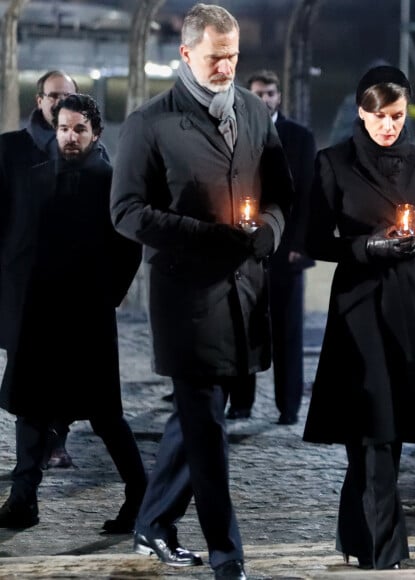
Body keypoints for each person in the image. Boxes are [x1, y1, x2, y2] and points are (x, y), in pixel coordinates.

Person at [109, 4, 293, 579]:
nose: (226, 66)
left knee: (196, 416)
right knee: (208, 426)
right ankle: (227, 555)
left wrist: (268, 232)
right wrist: (207, 238)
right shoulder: (150, 123)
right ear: (186, 53)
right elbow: (125, 212)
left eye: (233, 55)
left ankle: (152, 522)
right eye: (216, 56)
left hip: (243, 295)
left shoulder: (256, 116)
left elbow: (282, 197)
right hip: (186, 300)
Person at [302, 65, 415, 570]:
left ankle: (357, 538)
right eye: (380, 116)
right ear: (361, 113)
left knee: (388, 428)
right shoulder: (333, 162)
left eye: (398, 116)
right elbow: (314, 239)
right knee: (373, 427)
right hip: (359, 303)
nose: (390, 125)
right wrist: (367, 245)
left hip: (405, 301)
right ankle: (387, 551)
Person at [0, 94, 147, 533]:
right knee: (31, 410)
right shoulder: (37, 178)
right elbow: (17, 245)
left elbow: (129, 247)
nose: (70, 136)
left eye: (79, 129)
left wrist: (108, 296)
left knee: (104, 415)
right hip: (39, 317)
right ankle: (22, 500)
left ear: (95, 133)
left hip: (86, 320)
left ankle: (140, 495)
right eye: (64, 128)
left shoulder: (111, 182)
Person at [225, 69, 316, 425]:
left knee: (287, 332)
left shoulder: (300, 137)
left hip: (287, 251)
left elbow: (307, 194)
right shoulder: (236, 133)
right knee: (242, 328)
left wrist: (298, 245)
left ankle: (289, 405)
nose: (264, 99)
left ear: (279, 96)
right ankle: (241, 402)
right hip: (244, 250)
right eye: (258, 93)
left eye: (270, 93)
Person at [0, 70, 80, 470]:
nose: (59, 101)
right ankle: (28, 459)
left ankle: (56, 442)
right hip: (22, 282)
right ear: (39, 100)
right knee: (25, 375)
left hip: (68, 286)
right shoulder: (11, 149)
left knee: (63, 369)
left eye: (67, 95)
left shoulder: (86, 152)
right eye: (53, 95)